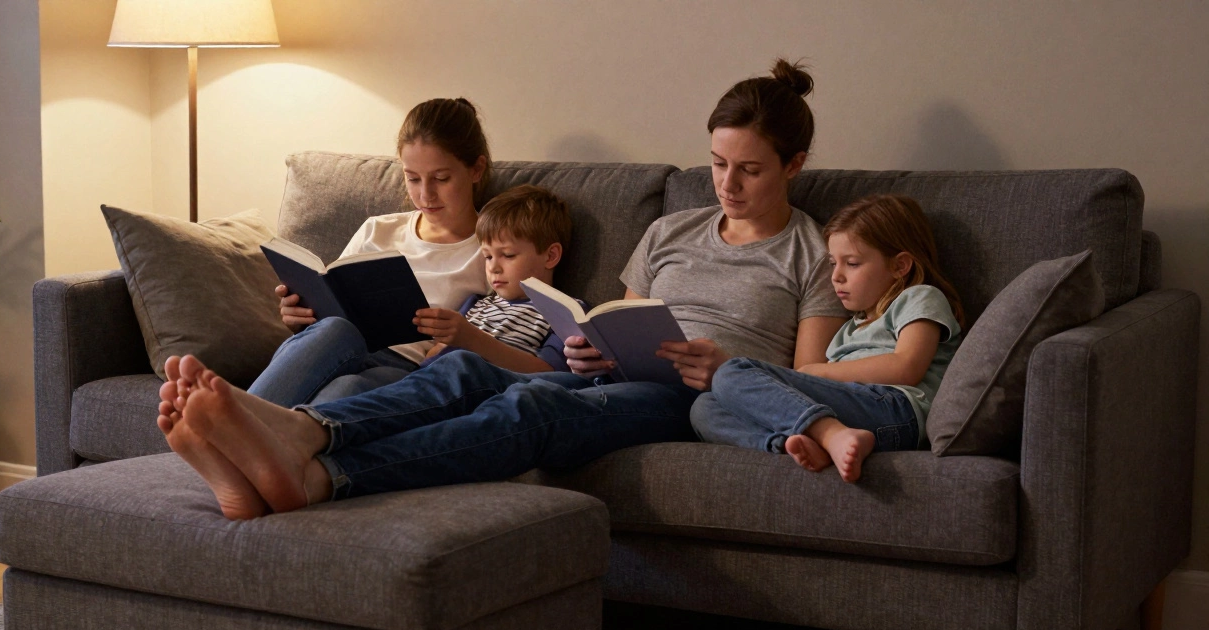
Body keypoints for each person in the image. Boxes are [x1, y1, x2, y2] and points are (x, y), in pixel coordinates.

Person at [159, 57, 851, 520]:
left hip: (689, 396)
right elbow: (619, 321)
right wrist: (591, 346)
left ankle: (321, 472)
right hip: (614, 375)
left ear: (794, 165)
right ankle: (302, 432)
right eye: (718, 163)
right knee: (466, 365)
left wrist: (722, 366)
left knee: (532, 408)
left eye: (750, 170)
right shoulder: (670, 230)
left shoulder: (813, 252)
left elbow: (806, 373)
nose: (726, 186)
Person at [690, 194, 966, 483]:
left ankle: (829, 434)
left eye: (853, 263)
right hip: (856, 416)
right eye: (834, 263)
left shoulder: (919, 296)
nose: (837, 276)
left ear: (900, 266)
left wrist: (819, 371)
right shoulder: (849, 329)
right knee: (704, 407)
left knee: (731, 372)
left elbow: (906, 366)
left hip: (895, 410)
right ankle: (797, 445)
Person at [248, 98, 492, 406]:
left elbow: (509, 337)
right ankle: (233, 426)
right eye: (412, 178)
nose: (425, 194)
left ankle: (232, 430)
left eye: (441, 179)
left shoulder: (495, 252)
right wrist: (301, 317)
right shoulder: (378, 230)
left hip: (409, 371)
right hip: (338, 345)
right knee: (335, 329)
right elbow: (334, 304)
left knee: (344, 390)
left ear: (476, 169)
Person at [417, 183, 579, 374]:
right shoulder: (476, 303)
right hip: (430, 378)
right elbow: (432, 355)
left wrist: (473, 339)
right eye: (488, 256)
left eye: (508, 255)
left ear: (550, 256)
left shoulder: (567, 311)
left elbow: (549, 373)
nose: (493, 267)